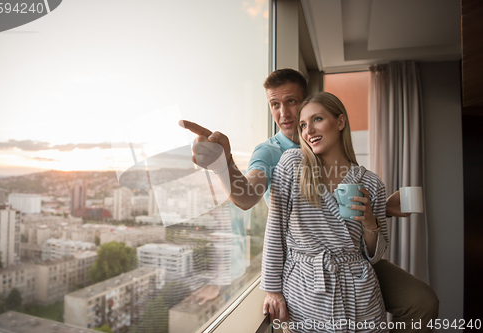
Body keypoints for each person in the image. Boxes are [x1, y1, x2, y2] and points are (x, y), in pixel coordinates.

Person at [180, 68, 439, 332]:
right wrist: (224, 166)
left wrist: (381, 209)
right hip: (306, 267)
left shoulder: (349, 163)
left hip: (353, 263)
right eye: (274, 104)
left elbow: (344, 215)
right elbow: (249, 198)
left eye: (291, 102)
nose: (283, 114)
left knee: (423, 302)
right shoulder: (273, 154)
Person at [262, 92, 388, 332]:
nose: (308, 130)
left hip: (360, 295)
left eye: (317, 119)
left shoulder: (371, 183)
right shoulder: (292, 164)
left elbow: (376, 255)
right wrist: (272, 290)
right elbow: (274, 230)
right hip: (305, 292)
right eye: (303, 125)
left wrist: (370, 222)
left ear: (340, 122)